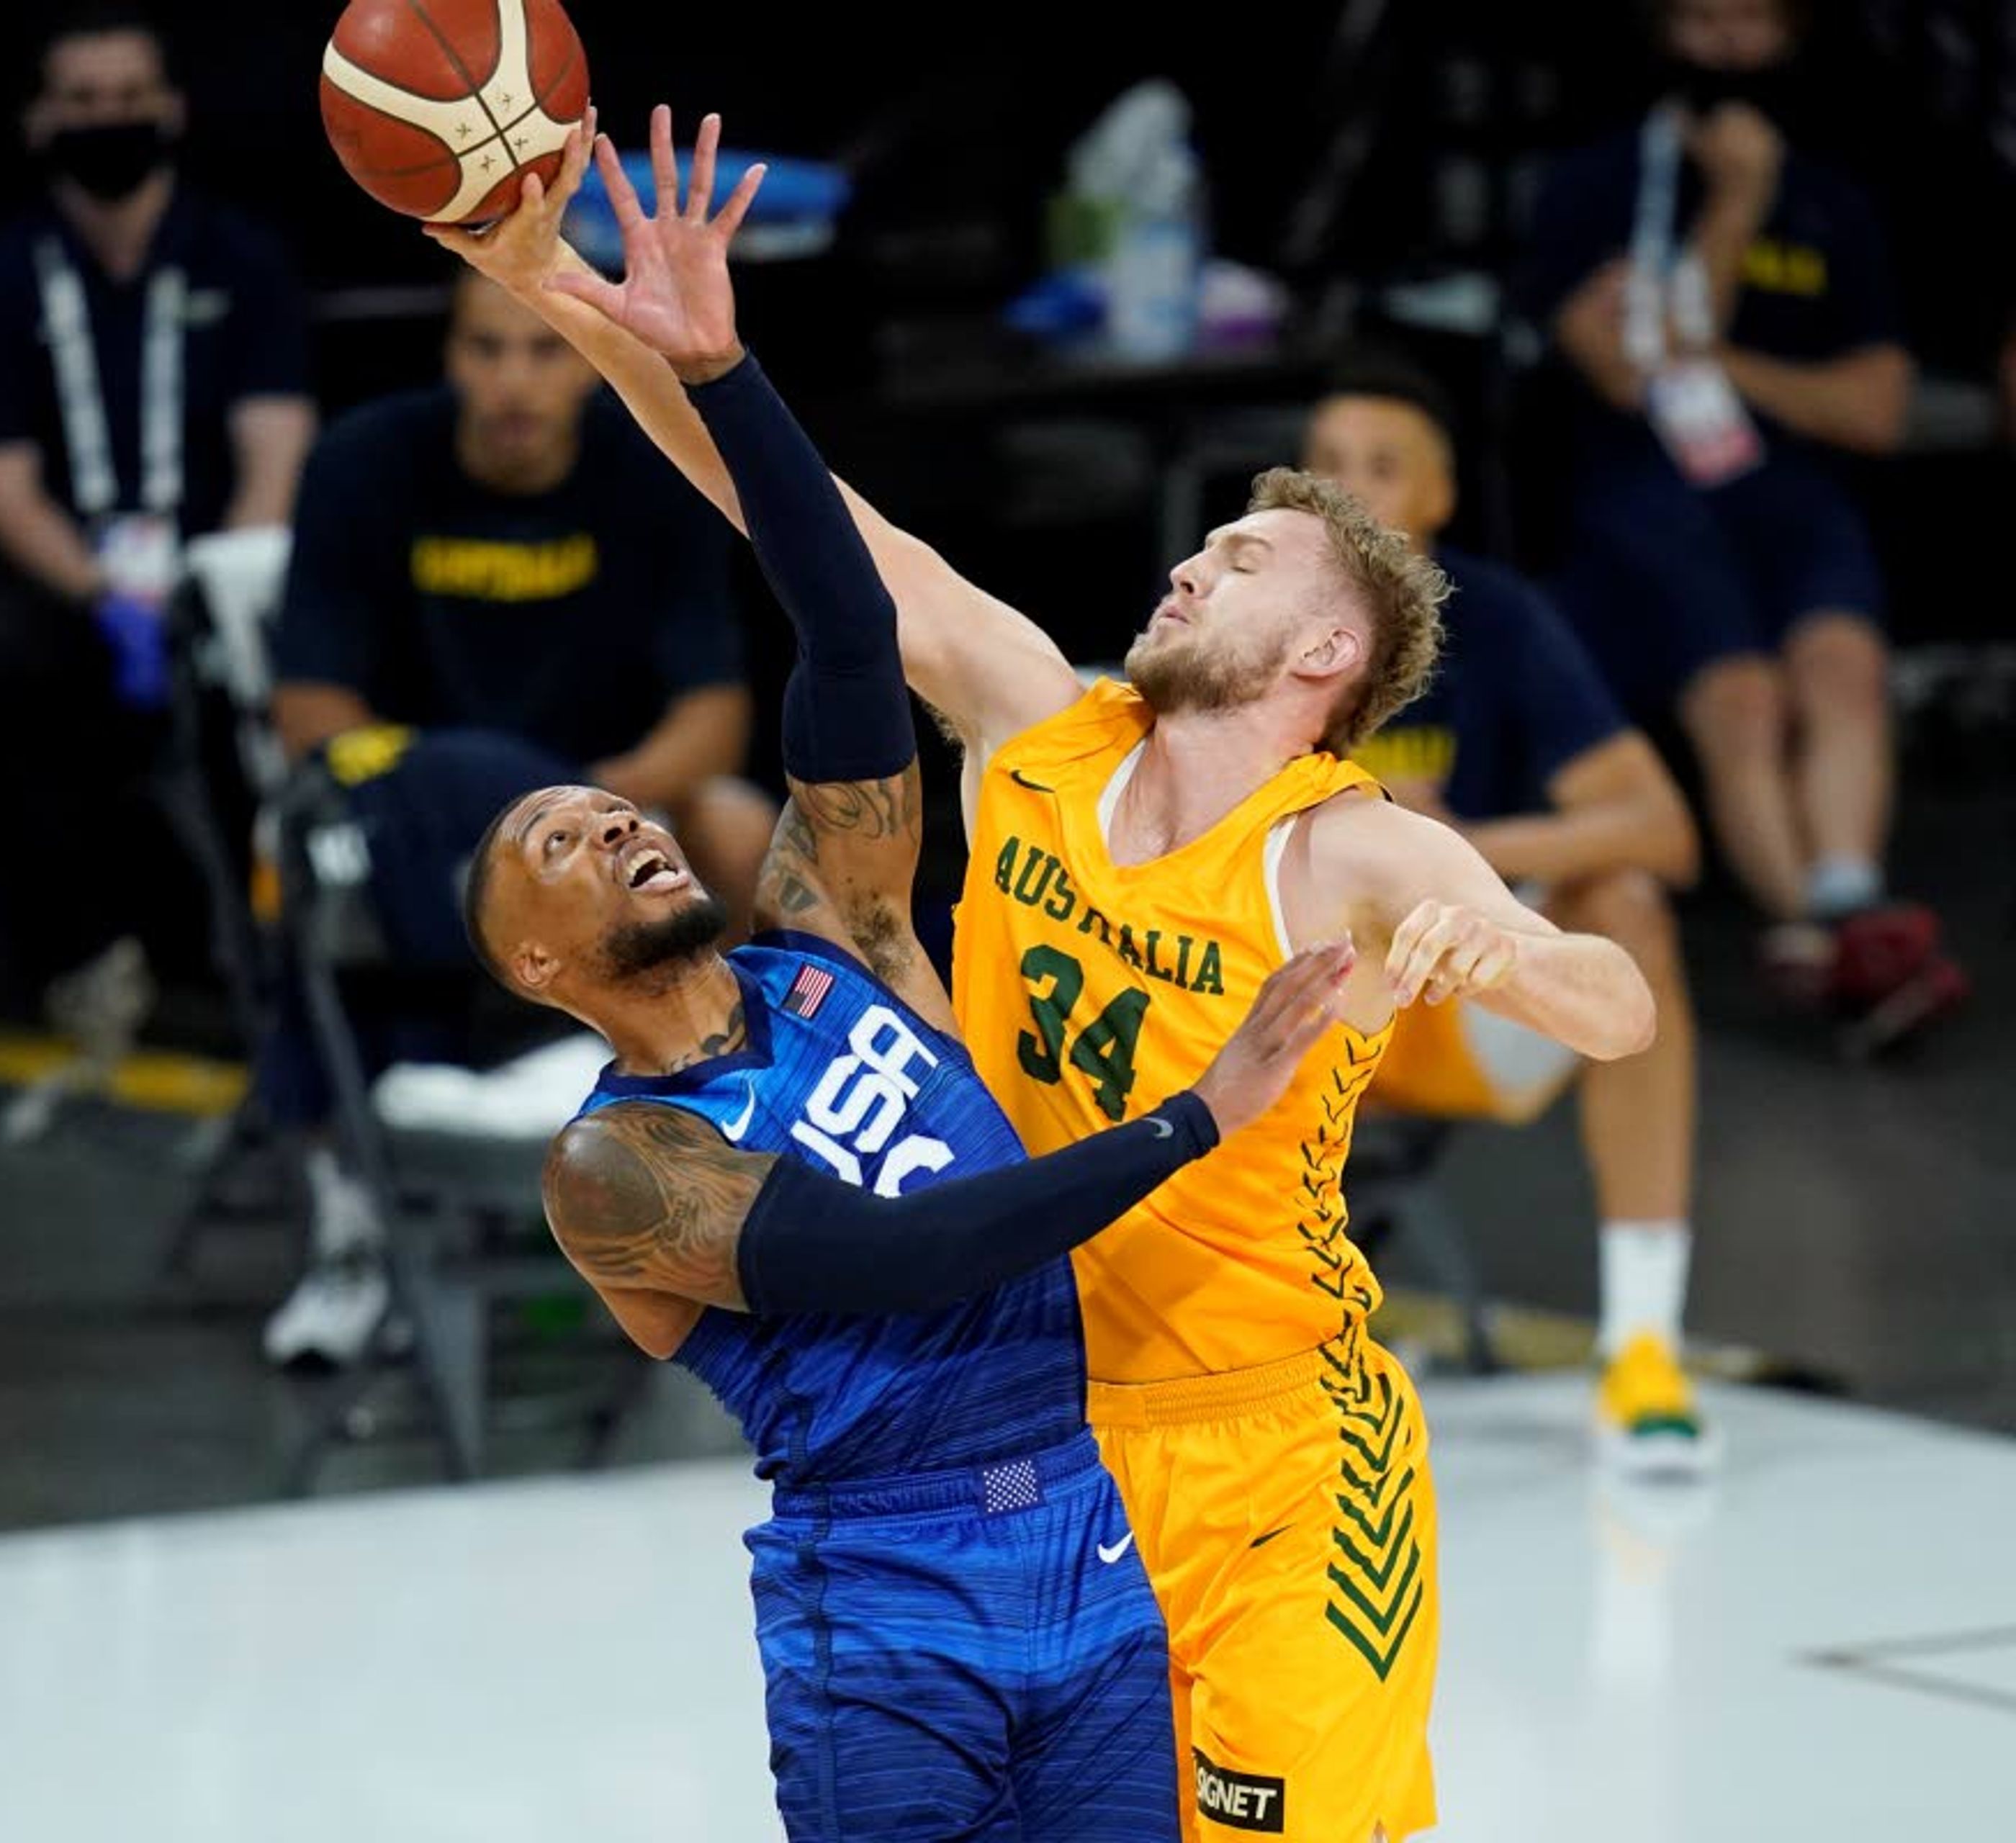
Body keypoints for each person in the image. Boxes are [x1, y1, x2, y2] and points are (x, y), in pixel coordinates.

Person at [439, 107, 1658, 1842]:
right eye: (1200, 541)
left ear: (1323, 651)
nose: (1186, 560)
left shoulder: (1344, 846)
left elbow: (1618, 1007)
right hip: (1052, 1447)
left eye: (1239, 560)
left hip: (1279, 1449)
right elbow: (801, 530)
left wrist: (1520, 954)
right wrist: (556, 283)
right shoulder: (1038, 721)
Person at [465, 230, 1359, 1832]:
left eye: (610, 808)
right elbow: (900, 1256)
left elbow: (851, 632)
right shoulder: (616, 1161)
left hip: (1090, 1546)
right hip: (881, 1596)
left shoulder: (837, 927)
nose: (612, 827)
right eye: (560, 843)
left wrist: (722, 372)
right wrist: (1191, 1119)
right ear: (538, 962)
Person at [258, 269, 775, 1368]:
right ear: (450, 358)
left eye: (542, 354)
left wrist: (593, 814)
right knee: (310, 861)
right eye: (485, 350)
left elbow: (716, 716)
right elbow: (311, 710)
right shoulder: (364, 463)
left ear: (591, 367)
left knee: (742, 830)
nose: (511, 382)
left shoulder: (653, 469)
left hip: (606, 802)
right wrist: (487, 808)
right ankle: (354, 1222)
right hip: (426, 819)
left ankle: (744, 1153)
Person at [1522, 0, 1966, 1042]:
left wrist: (1723, 364)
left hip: (1789, 497)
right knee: (1745, 698)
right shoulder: (1596, 186)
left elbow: (1876, 407)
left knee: (1844, 667)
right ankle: (1825, 928)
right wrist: (1734, 206)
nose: (1728, 47)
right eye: (1704, 21)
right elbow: (1631, 376)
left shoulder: (1836, 201)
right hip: (1645, 499)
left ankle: (1848, 908)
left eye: (1750, 23)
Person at [1302, 361, 1716, 1474]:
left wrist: (1450, 851)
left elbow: (1662, 827)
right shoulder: (1232, 621)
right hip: (1273, 1005)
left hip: (1433, 1004)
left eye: (1381, 470)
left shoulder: (1501, 620)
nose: (1348, 492)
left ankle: (1643, 1346)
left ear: (1438, 500)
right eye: (1326, 467)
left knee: (1625, 911)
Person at [0, 2, 315, 1051]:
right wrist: (112, 599)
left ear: (174, 111)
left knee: (286, 661)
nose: (109, 119)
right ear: (41, 123)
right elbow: (1, 483)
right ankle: (86, 956)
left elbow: (275, 447)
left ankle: (284, 956)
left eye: (129, 99)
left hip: (215, 554)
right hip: (73, 573)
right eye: (83, 101)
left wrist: (212, 588)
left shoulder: (240, 257)